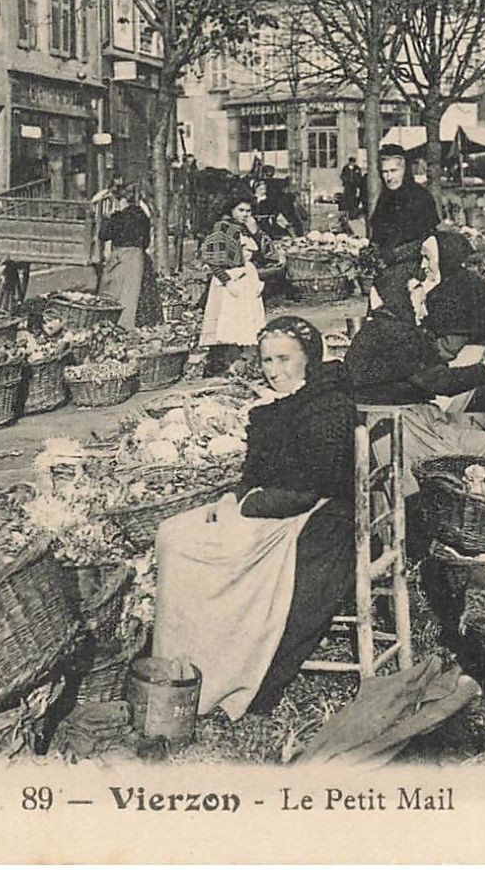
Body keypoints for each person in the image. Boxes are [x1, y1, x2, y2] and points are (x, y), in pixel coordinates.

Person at [153, 317, 355, 719]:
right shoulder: (278, 405)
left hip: (317, 519)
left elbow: (308, 489)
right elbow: (257, 475)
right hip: (278, 506)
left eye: (284, 359)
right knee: (172, 531)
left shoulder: (328, 407)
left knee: (187, 547)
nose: (274, 370)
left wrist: (244, 509)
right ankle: (179, 665)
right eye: (267, 361)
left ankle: (213, 671)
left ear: (309, 359)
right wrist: (233, 498)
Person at [344, 266, 485, 480]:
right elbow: (440, 382)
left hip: (397, 420)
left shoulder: (382, 329)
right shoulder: (396, 334)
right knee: (473, 459)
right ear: (401, 301)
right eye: (420, 303)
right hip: (396, 425)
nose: (424, 313)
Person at [198, 194, 273, 374]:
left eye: (248, 211)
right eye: (240, 210)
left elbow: (269, 254)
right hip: (228, 282)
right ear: (231, 209)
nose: (245, 214)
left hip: (247, 281)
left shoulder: (249, 228)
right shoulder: (222, 228)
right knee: (228, 325)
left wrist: (256, 232)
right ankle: (226, 364)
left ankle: (244, 364)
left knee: (245, 325)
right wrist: (227, 282)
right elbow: (213, 261)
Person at [367, 144, 441, 286]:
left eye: (394, 170)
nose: (389, 177)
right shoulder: (384, 199)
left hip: (416, 272)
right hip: (386, 272)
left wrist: (394, 255)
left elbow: (428, 241)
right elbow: (377, 235)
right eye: (385, 172)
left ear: (404, 170)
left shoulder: (421, 197)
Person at [422, 230, 485, 359]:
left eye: (427, 258)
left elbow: (451, 345)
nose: (423, 265)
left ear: (444, 259)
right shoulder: (447, 282)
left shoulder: (461, 287)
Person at [95, 184, 160, 330]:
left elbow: (103, 235)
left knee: (113, 292)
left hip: (121, 257)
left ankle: (114, 325)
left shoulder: (118, 216)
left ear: (122, 200)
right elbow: (146, 242)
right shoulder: (142, 215)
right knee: (135, 295)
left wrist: (107, 218)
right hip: (138, 258)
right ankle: (138, 326)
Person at [339, 155, 367, 234]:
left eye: (353, 163)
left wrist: (357, 184)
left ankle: (353, 214)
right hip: (348, 187)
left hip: (354, 187)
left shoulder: (357, 169)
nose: (352, 164)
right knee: (347, 200)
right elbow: (342, 176)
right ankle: (347, 214)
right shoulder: (345, 168)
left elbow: (359, 177)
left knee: (354, 201)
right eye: (351, 163)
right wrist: (346, 181)